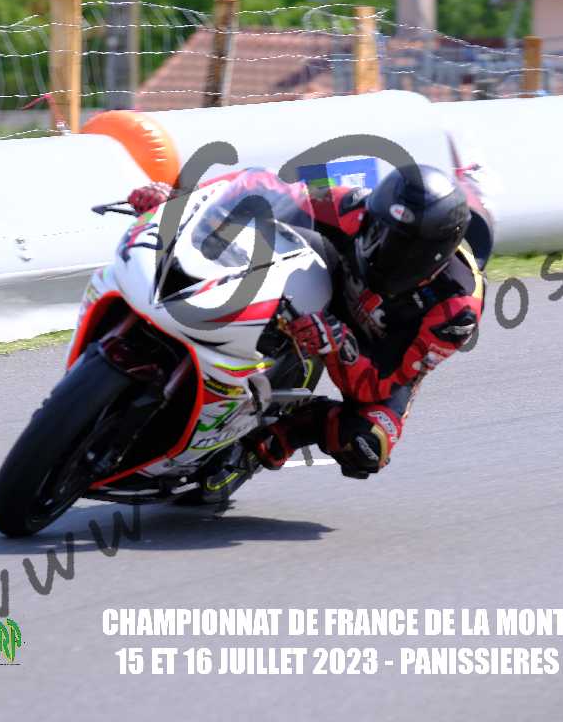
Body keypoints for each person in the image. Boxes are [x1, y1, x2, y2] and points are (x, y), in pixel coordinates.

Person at [126, 163, 488, 502]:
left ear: (437, 257)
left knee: (369, 444)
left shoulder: (456, 309)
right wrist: (180, 203)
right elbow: (261, 187)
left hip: (375, 352)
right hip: (327, 284)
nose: (382, 250)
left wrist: (339, 344)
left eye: (402, 249)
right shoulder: (352, 207)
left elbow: (377, 385)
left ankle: (275, 437)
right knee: (257, 240)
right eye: (379, 232)